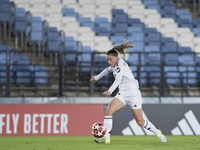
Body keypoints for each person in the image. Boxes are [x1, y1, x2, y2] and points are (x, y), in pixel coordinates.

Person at [90, 40, 167, 144]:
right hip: (123, 94)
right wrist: (97, 77)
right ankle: (106, 138)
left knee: (140, 122)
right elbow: (108, 69)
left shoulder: (121, 66)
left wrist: (110, 90)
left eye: (110, 59)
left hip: (133, 95)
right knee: (108, 111)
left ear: (116, 58)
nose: (109, 62)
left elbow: (118, 79)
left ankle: (158, 133)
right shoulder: (114, 65)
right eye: (107, 60)